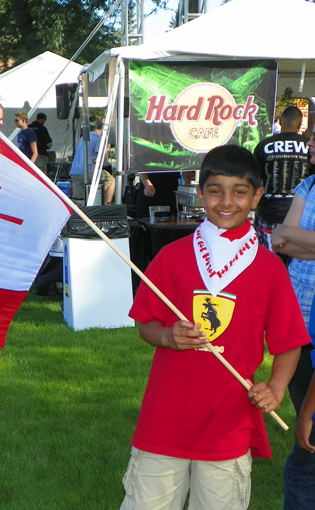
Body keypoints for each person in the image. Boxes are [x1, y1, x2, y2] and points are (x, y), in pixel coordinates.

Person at [119, 145, 309, 510]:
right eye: (215, 190)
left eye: (239, 191)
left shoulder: (269, 268)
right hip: (165, 419)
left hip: (228, 424)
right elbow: (146, 323)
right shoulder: (172, 257)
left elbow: (289, 342)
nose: (226, 201)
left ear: (256, 197)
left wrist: (276, 388)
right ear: (200, 193)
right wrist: (166, 336)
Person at [271, 130, 315, 509]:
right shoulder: (308, 183)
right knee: (305, 409)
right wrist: (292, 237)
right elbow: (277, 240)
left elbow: (287, 236)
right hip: (298, 317)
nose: (311, 143)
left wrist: (293, 237)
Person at [253, 106, 313, 256]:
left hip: (269, 213)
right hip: (300, 219)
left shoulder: (264, 145)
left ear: (280, 122)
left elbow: (254, 180)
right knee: (297, 257)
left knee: (267, 261)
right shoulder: (308, 147)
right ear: (300, 125)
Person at [69, 117, 115, 204]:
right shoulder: (99, 138)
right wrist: (105, 151)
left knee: (79, 200)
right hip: (89, 171)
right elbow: (101, 160)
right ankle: (106, 206)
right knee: (111, 180)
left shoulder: (83, 137)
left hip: (75, 172)